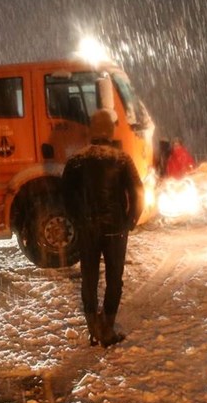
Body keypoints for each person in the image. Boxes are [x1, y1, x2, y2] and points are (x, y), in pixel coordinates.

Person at [62, 109, 145, 347]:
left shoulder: (76, 160)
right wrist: (130, 220)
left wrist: (78, 220)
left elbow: (66, 196)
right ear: (109, 131)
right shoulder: (121, 159)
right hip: (115, 228)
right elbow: (138, 193)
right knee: (113, 278)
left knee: (88, 277)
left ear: (91, 130)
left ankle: (93, 328)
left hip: (87, 229)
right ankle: (107, 326)